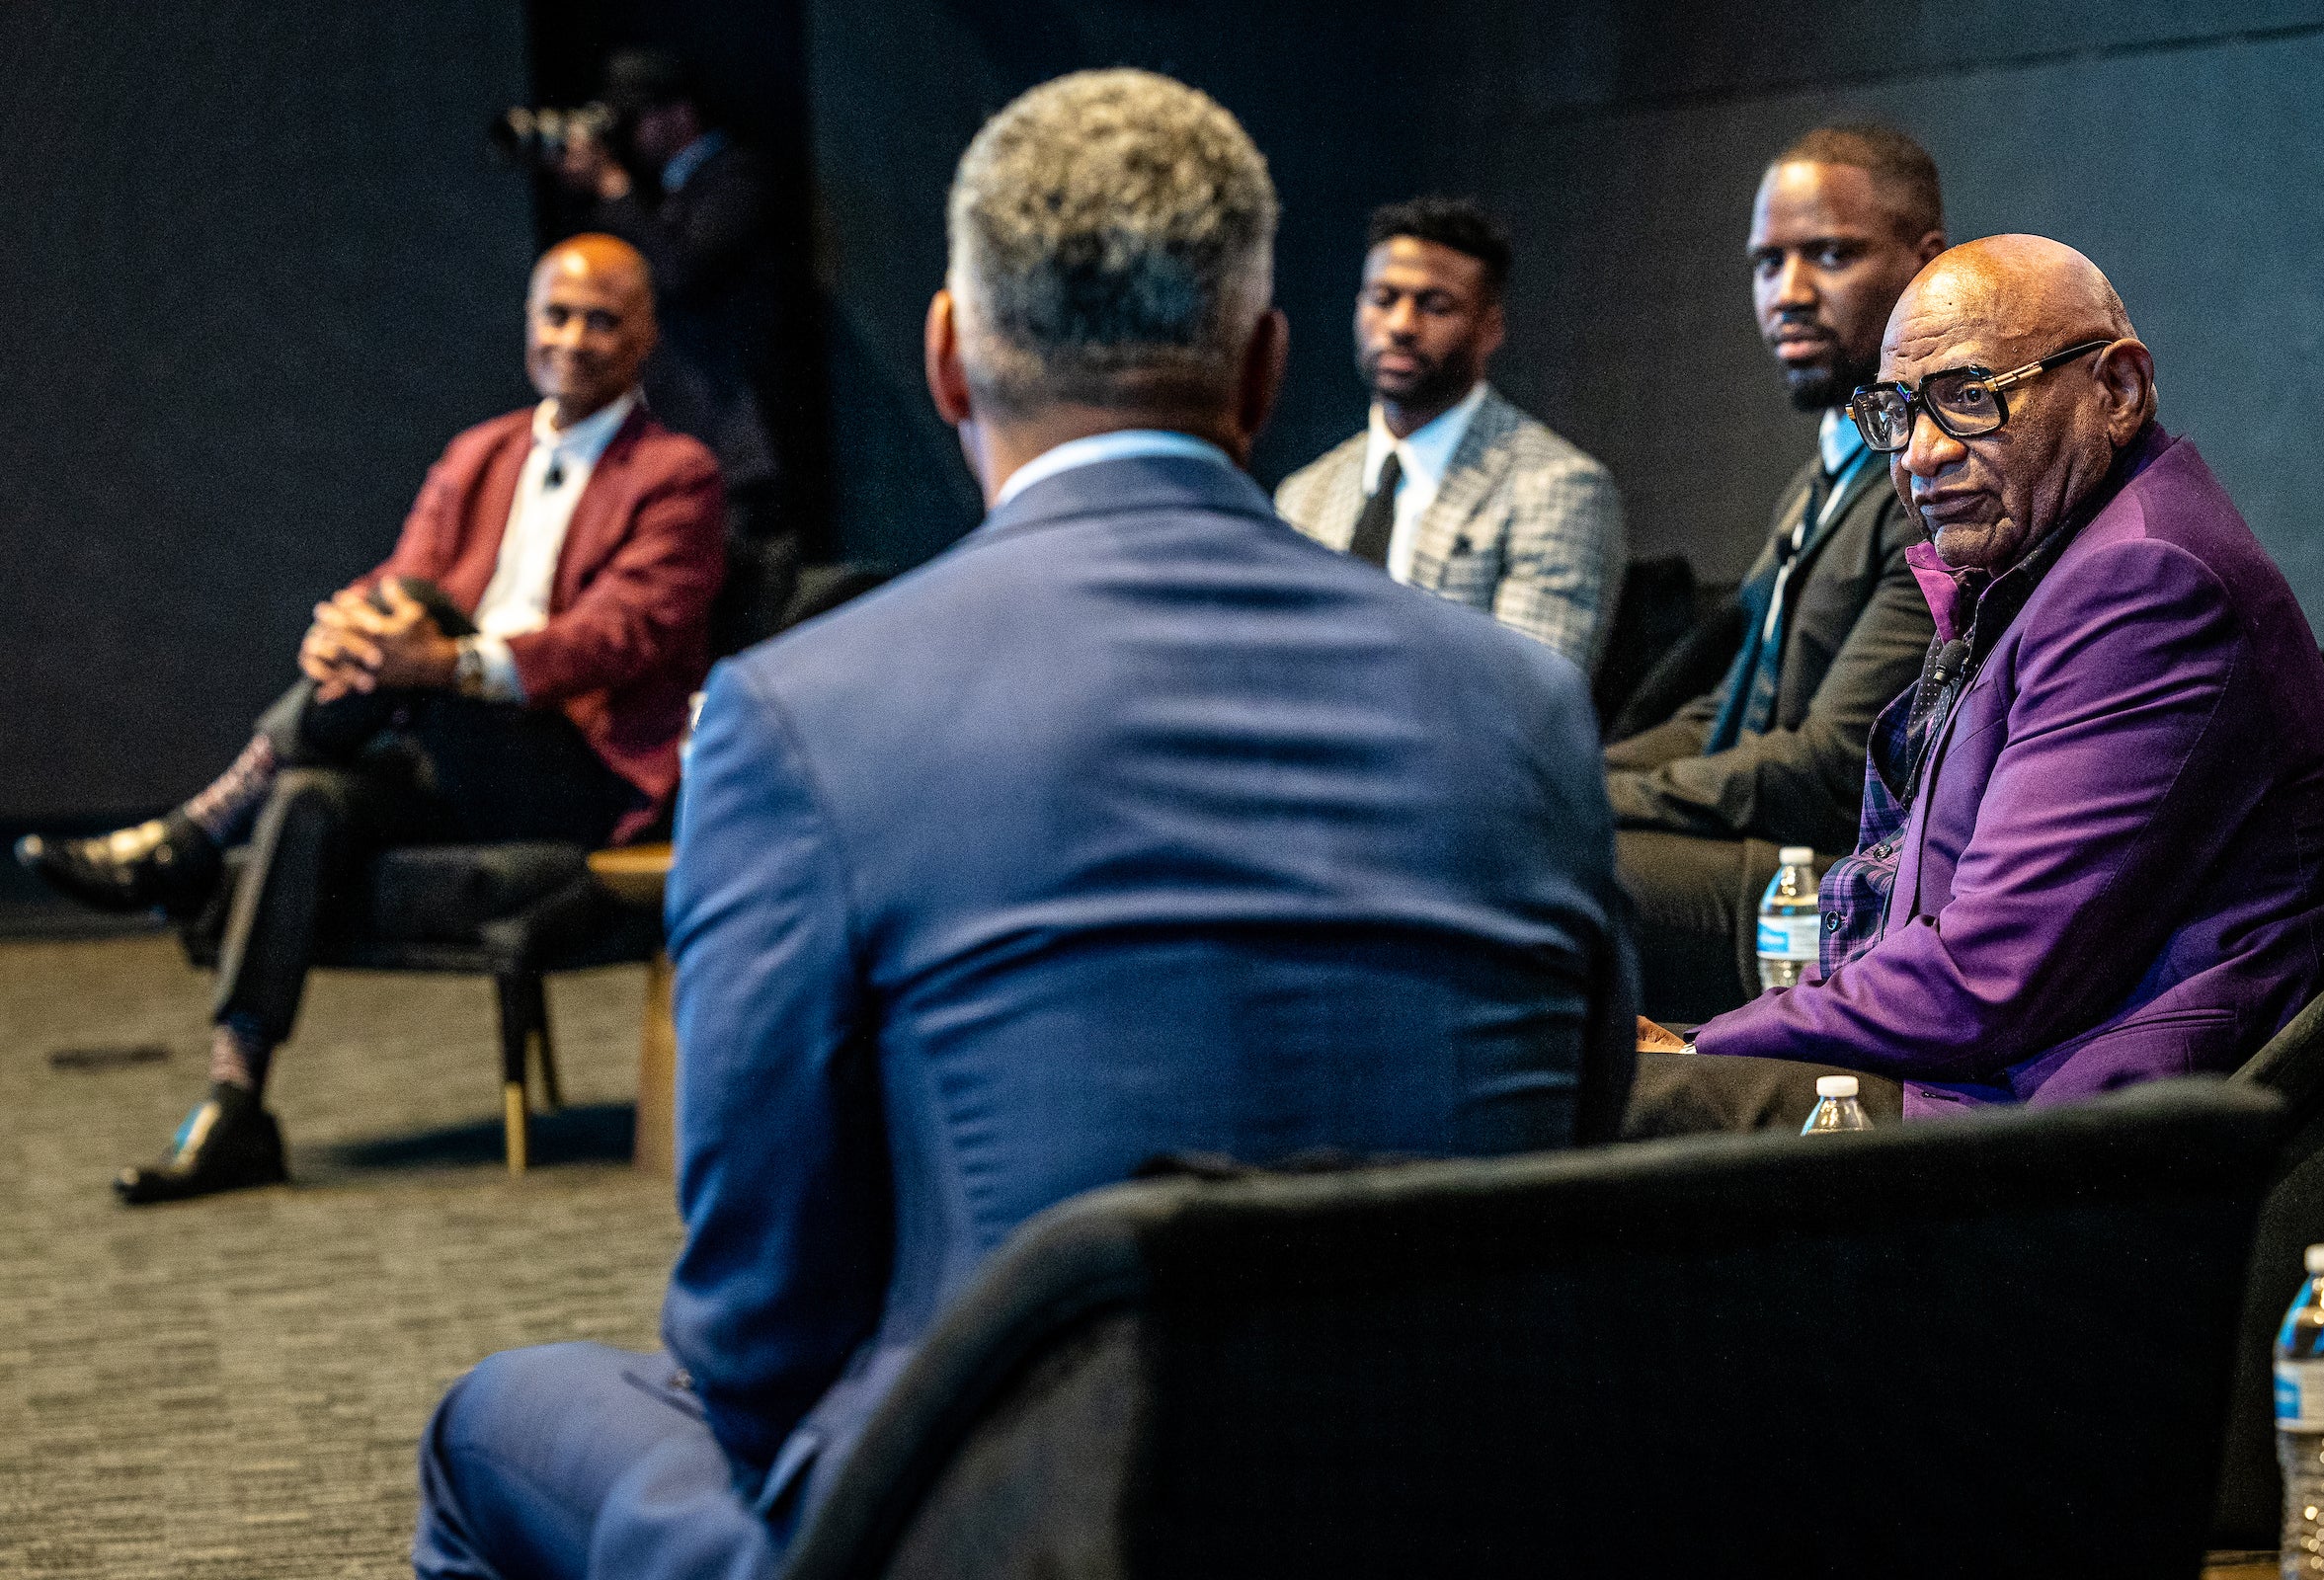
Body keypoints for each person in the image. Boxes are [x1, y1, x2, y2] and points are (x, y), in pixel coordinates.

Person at [415, 70, 1634, 1580]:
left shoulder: (804, 712)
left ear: (943, 358)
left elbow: (752, 1337)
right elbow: (1575, 1198)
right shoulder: (1525, 708)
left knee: (491, 1426)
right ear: (1263, 369)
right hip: (1445, 1510)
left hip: (1003, 1534)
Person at [18, 235, 726, 1202]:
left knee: (423, 626)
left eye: (602, 319)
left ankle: (193, 832)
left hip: (577, 771)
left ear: (645, 335)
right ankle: (236, 1101)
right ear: (528, 326)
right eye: (557, 315)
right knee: (311, 794)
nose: (575, 338)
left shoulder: (679, 474)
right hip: (446, 744)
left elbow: (621, 636)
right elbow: (397, 578)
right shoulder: (479, 453)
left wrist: (445, 659)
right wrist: (344, 629)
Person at [1627, 234, 2324, 1135]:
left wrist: (1709, 1050)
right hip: (1979, 1076)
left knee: (1584, 1105)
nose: (1920, 454)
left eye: (1969, 399)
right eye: (1897, 412)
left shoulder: (2143, 585)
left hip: (2056, 1133)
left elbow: (1986, 974)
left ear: (2117, 391)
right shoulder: (2051, 560)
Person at [1606, 125, 1944, 1024]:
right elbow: (1719, 716)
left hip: (1830, 879)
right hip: (1757, 846)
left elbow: (1833, 769)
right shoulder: (1824, 473)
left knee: (1529, 861)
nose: (1787, 294)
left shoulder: (1932, 487)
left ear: (1927, 264)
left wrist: (1592, 798)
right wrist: (1569, 774)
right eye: (1767, 263)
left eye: (1830, 255)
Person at [1275, 198, 1624, 671]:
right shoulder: (1303, 497)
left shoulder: (1556, 489)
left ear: (1490, 328)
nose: (1400, 326)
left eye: (1434, 306)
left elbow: (1527, 701)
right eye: (1382, 299)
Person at [552, 47, 791, 652]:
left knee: (737, 619)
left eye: (634, 120)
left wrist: (612, 188)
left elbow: (681, 272)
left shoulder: (735, 177)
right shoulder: (663, 198)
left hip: (737, 448)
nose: (628, 139)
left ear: (677, 114)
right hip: (684, 442)